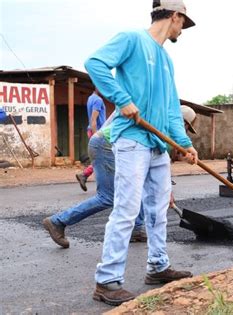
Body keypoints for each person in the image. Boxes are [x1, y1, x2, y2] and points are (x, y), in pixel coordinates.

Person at [85, 0, 198, 306]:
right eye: (182, 24)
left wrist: (182, 143)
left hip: (158, 147)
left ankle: (158, 266)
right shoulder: (132, 39)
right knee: (126, 208)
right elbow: (94, 63)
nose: (182, 31)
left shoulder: (166, 59)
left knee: (158, 209)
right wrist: (121, 99)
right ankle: (106, 280)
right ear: (174, 16)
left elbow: (171, 108)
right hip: (132, 140)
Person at [42, 114, 146, 249]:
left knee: (138, 185)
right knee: (107, 196)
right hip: (106, 144)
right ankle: (58, 221)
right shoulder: (157, 113)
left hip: (110, 143)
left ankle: (137, 228)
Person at [76, 88, 107, 192]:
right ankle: (84, 175)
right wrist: (96, 136)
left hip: (93, 131)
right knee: (103, 159)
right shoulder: (98, 100)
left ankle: (85, 175)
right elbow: (93, 119)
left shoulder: (90, 98)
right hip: (97, 132)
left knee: (101, 158)